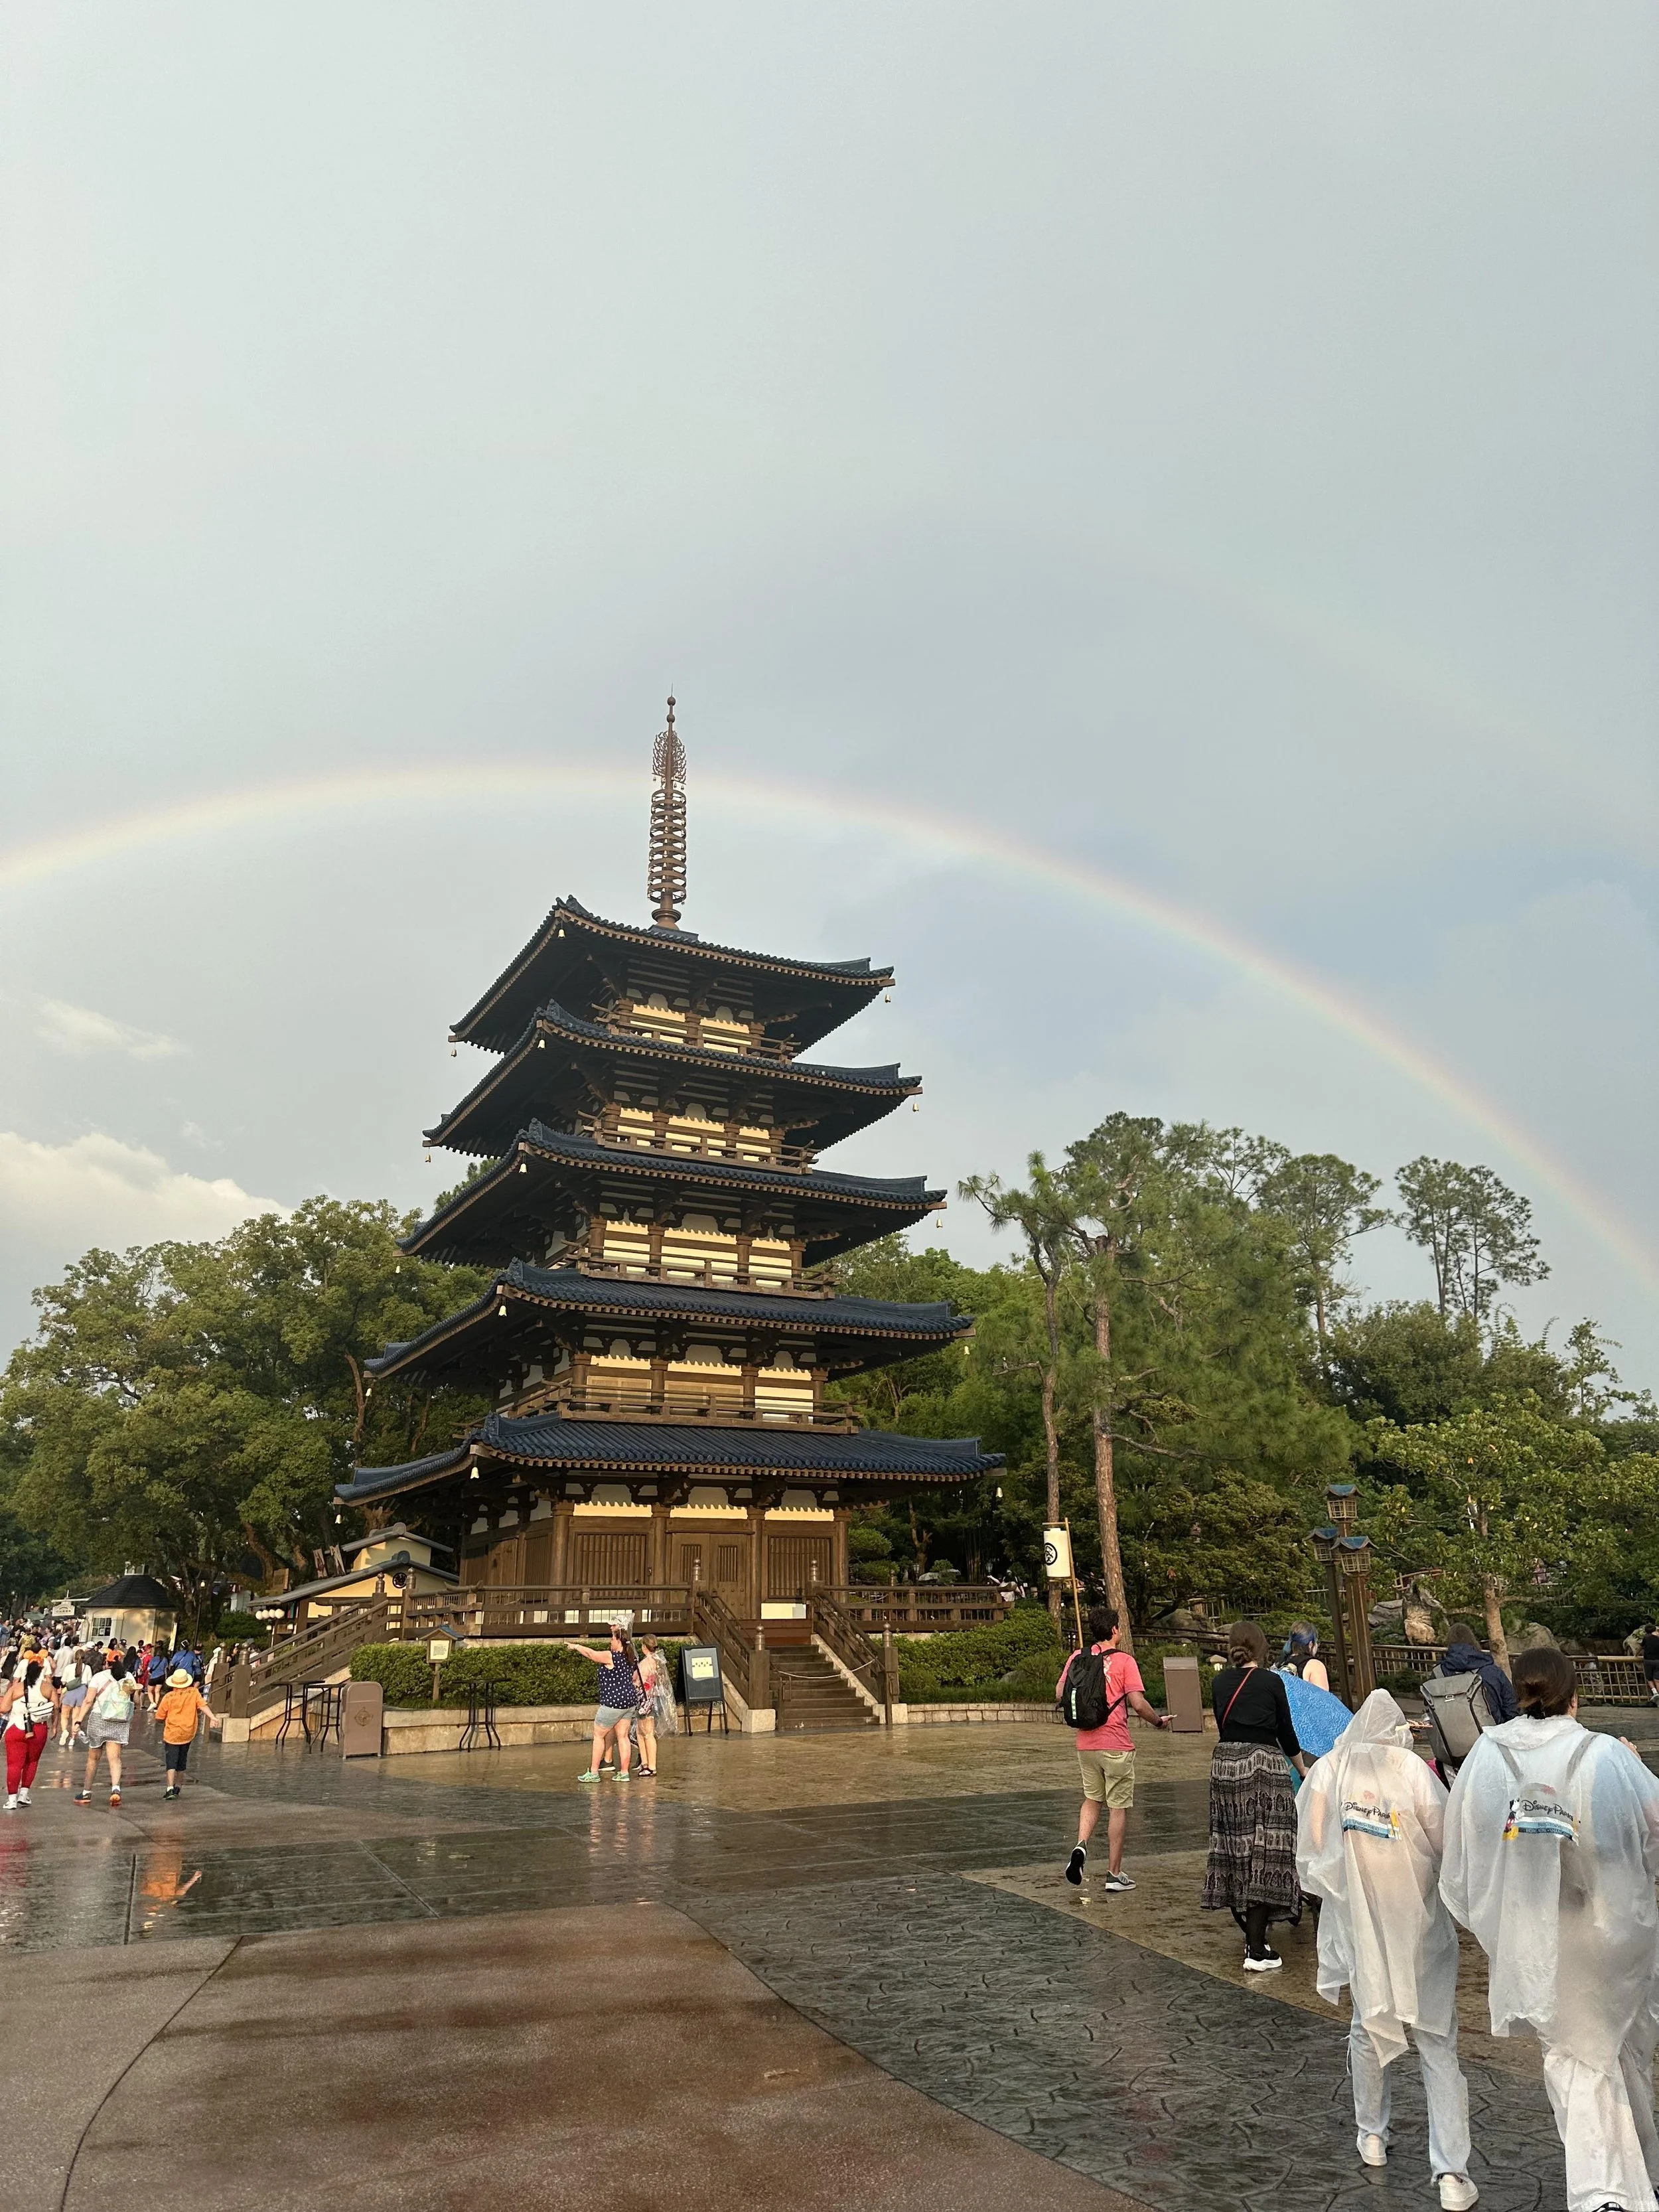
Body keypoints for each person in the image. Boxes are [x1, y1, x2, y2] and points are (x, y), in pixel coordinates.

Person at [1442, 1645, 1659, 2212]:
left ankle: (1605, 2190)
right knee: (1614, 2046)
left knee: (1569, 2054)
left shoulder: (1487, 1755)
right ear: (1575, 1695)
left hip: (1538, 1934)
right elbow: (1652, 1826)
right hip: (1605, 1926)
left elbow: (1464, 1848)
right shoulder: (1606, 1753)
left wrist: (1502, 1912)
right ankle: (1628, 2180)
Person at [1297, 1688, 1479, 2209]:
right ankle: (1450, 2171)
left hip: (1361, 1919)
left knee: (1367, 2021)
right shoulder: (1410, 1768)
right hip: (1417, 1920)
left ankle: (1371, 2133)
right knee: (1437, 2038)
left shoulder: (1331, 1768)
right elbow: (1444, 1841)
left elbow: (1313, 1837)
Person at [1203, 1619, 1311, 1969]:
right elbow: (1285, 1731)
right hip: (1262, 1766)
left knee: (1235, 1848)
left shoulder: (1219, 1682)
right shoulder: (1271, 1681)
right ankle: (1256, 1948)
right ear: (1262, 1646)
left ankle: (1254, 1936)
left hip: (1225, 1766)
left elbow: (1225, 1725)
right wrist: (1301, 1768)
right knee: (1268, 1849)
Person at [1057, 1605, 1170, 1892]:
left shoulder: (1077, 1657)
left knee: (1092, 1799)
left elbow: (1060, 1693)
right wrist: (1158, 1722)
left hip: (1086, 1743)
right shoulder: (1124, 1661)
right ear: (1115, 1630)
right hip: (1116, 1745)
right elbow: (1139, 1704)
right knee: (1117, 1808)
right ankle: (1114, 1874)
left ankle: (1081, 1847)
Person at [571, 1622, 642, 1781]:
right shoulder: (631, 1657)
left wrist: (576, 1646)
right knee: (623, 1736)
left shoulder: (612, 1657)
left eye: (612, 1638)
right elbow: (634, 1678)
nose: (610, 1641)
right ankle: (624, 1773)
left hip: (613, 1702)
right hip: (629, 1701)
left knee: (598, 1735)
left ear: (618, 1641)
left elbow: (591, 1654)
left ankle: (594, 1772)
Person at [76, 1656, 136, 1808]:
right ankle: (116, 1789)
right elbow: (132, 1698)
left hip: (99, 1718)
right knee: (114, 1758)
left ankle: (86, 1792)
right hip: (120, 1720)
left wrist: (78, 1720)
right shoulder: (129, 1677)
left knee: (93, 1758)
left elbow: (89, 1700)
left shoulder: (99, 1677)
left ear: (106, 1664)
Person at [154, 1666, 220, 1799]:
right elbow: (203, 1706)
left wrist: (161, 1721)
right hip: (188, 1733)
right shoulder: (194, 1693)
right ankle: (179, 1786)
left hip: (172, 1734)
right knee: (182, 1761)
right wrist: (212, 1717)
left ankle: (170, 1788)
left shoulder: (168, 1697)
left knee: (171, 1762)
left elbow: (159, 1717)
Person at [1, 1659, 58, 1811]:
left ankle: (12, 1799)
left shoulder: (16, 1688)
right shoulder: (48, 1688)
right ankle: (24, 1794)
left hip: (16, 1728)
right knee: (32, 1762)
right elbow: (56, 1708)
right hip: (39, 1729)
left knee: (14, 1765)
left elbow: (4, 1708)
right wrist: (55, 1728)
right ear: (42, 1672)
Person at [1437, 1623, 1518, 1724]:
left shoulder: (1438, 1673)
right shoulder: (1492, 1671)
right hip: (1491, 1734)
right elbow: (1511, 1707)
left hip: (1451, 1737)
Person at [55, 1641, 88, 1748]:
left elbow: (64, 1682)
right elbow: (89, 1682)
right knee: (76, 1717)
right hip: (82, 1691)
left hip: (70, 1691)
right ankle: (73, 1739)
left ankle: (65, 1730)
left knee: (65, 1715)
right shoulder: (87, 1668)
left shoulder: (69, 1668)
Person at [1280, 1623, 1331, 1692]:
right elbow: (1323, 1700)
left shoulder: (1280, 1662)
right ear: (1310, 1644)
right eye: (1317, 1642)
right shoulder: (1315, 1665)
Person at [1640, 1623, 1659, 1708]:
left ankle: (1655, 1692)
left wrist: (1635, 1655)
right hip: (1658, 1661)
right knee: (1657, 1680)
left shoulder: (1646, 1638)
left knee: (1649, 1678)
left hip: (1648, 1660)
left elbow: (1641, 1647)